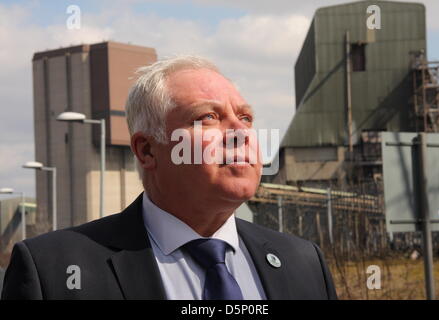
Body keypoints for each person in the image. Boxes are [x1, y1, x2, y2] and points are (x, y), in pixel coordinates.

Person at [1, 55, 337, 300]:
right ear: (148, 150)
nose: (241, 132)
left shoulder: (304, 262)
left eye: (246, 117)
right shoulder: (52, 272)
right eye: (208, 117)